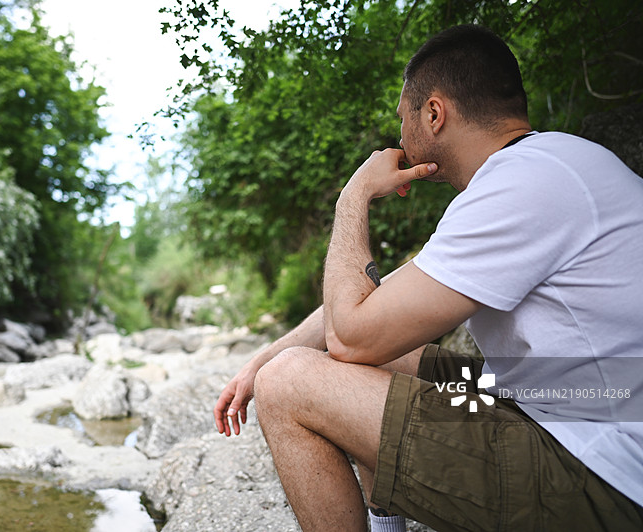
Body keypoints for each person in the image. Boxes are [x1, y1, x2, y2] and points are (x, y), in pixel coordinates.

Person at [213, 24, 643, 532]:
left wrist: (352, 199)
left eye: (404, 118)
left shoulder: (523, 185)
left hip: (603, 474)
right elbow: (385, 300)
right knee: (369, 356)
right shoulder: (546, 166)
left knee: (289, 384)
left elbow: (351, 338)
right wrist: (260, 360)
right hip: (555, 407)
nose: (399, 138)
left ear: (434, 114)